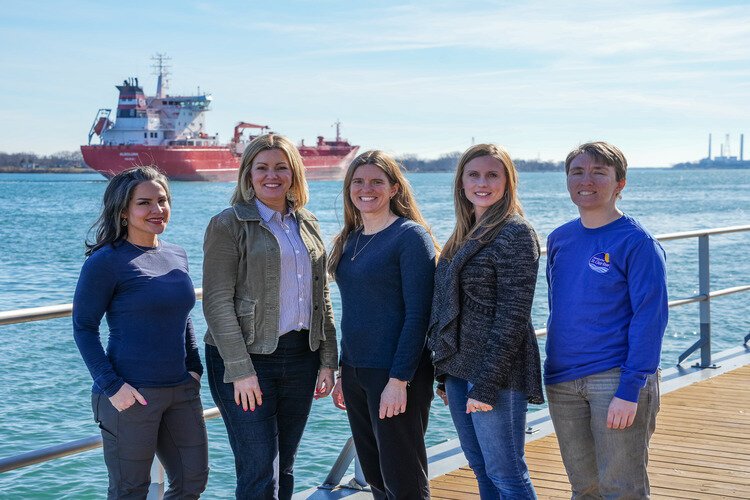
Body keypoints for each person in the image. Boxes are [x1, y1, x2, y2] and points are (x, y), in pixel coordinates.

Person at [202, 133, 338, 499]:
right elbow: (216, 302)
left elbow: (320, 297)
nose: (271, 175)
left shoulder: (306, 223)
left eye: (281, 167)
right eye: (261, 168)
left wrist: (328, 360)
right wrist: (241, 371)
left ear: (294, 174)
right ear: (248, 175)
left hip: (301, 357)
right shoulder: (228, 224)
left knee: (285, 464)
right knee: (259, 470)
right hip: (247, 359)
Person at [72, 166, 208, 499]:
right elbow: (84, 327)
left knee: (193, 480)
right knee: (130, 490)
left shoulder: (177, 254)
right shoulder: (106, 261)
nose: (157, 210)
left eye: (162, 200)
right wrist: (113, 386)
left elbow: (183, 317)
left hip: (181, 390)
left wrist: (194, 368)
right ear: (123, 212)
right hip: (130, 395)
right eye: (144, 203)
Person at [545, 141, 668, 499]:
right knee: (584, 489)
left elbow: (651, 317)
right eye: (578, 171)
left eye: (600, 172)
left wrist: (630, 389)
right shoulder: (560, 238)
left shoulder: (637, 242)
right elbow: (560, 308)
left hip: (615, 380)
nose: (587, 180)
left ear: (620, 183)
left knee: (622, 489)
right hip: (562, 381)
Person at [428, 144, 543, 499]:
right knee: (481, 469)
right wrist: (446, 373)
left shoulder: (515, 233)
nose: (483, 182)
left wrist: (487, 385)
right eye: (473, 174)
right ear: (461, 182)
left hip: (497, 374)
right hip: (462, 371)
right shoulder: (464, 233)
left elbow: (513, 316)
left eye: (493, 174)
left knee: (506, 473)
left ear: (508, 182)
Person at [328, 150, 439, 499]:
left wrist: (399, 380)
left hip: (395, 373)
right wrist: (344, 373)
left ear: (393, 188)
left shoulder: (410, 237)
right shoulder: (351, 239)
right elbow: (355, 312)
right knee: (376, 475)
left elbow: (418, 315)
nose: (366, 188)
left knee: (402, 477)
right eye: (358, 182)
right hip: (358, 372)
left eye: (377, 181)